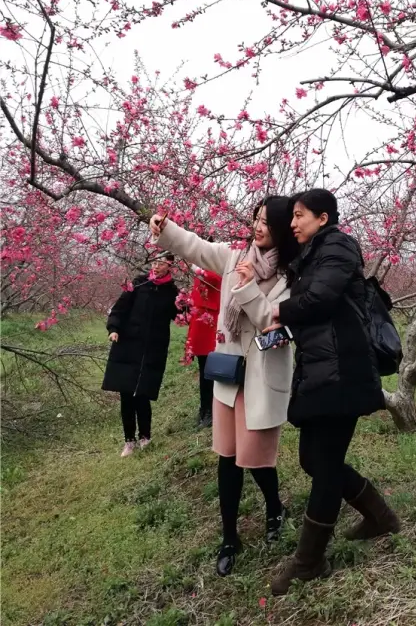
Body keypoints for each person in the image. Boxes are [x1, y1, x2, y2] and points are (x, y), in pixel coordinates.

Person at [149, 197, 298, 577]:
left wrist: (248, 289)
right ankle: (230, 537)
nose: (258, 226)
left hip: (262, 379)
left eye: (267, 221)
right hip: (230, 375)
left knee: (257, 460)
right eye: (256, 218)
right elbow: (196, 248)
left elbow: (274, 323)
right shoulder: (235, 259)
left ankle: (274, 508)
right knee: (228, 458)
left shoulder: (292, 276)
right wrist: (166, 229)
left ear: (282, 227)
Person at [268, 188, 400, 596]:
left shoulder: (340, 246)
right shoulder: (311, 255)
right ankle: (380, 517)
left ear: (323, 218)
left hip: (344, 371)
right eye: (292, 216)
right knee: (313, 459)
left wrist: (279, 311)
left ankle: (309, 562)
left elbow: (320, 300)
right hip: (322, 370)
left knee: (324, 466)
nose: (293, 223)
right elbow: (314, 309)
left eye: (301, 215)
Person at [103, 251, 180, 457]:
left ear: (170, 266)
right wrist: (114, 329)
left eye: (161, 263)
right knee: (126, 393)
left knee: (143, 393)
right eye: (154, 261)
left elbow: (181, 315)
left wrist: (187, 307)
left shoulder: (172, 292)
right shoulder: (138, 284)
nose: (156, 266)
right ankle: (129, 440)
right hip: (129, 344)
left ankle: (145, 436)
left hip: (153, 347)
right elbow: (119, 309)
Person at [183, 265, 222, 429]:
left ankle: (212, 410)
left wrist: (198, 268)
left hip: (211, 324)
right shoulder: (200, 272)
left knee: (212, 372)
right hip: (200, 324)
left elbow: (215, 279)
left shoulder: (213, 269)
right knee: (204, 372)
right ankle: (205, 408)